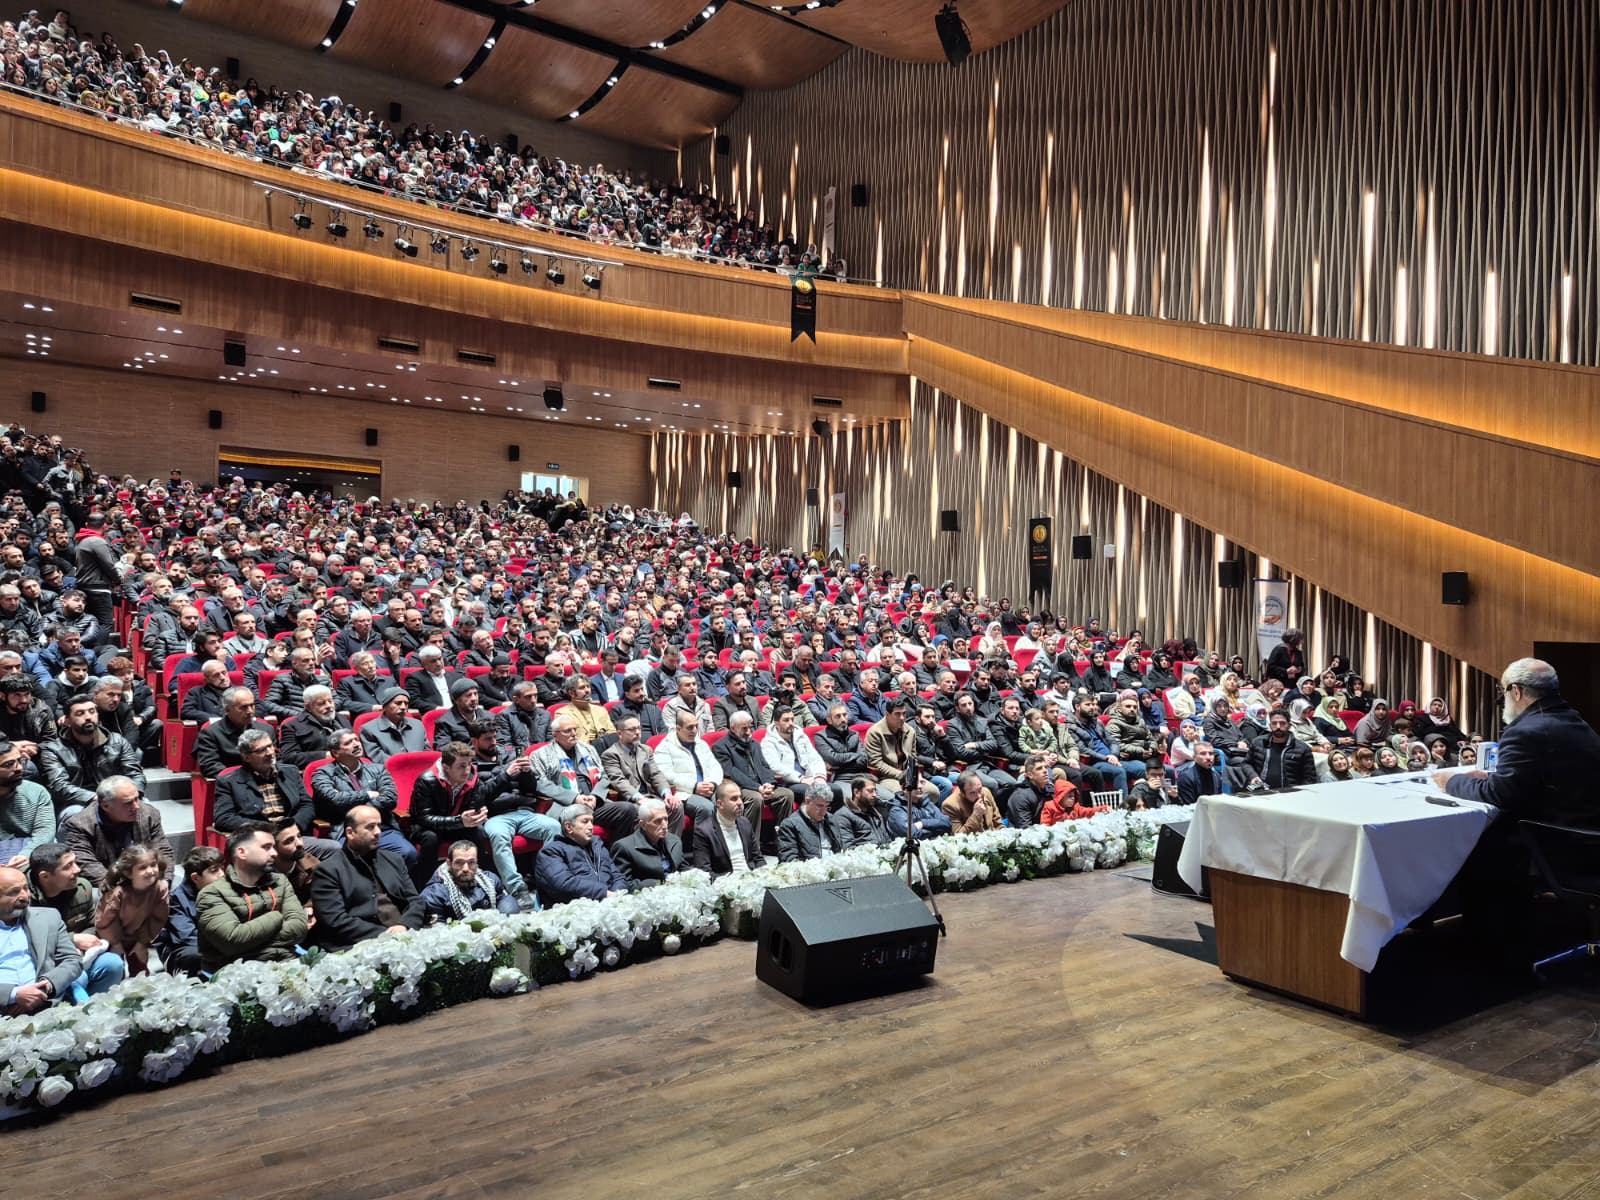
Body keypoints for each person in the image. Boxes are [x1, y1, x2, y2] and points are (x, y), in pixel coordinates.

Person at [1437, 658, 1600, 823]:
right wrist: (1491, 776)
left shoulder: (1523, 732)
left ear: (1516, 691)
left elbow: (1499, 795)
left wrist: (1451, 781)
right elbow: (1553, 775)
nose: (1502, 698)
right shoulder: (1576, 721)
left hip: (1553, 831)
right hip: (1586, 825)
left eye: (1503, 690)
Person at [309, 805, 426, 950]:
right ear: (350, 833)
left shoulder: (394, 859)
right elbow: (335, 920)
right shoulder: (328, 870)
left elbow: (415, 900)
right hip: (361, 943)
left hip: (405, 935)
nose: (378, 832)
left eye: (379, 826)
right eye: (370, 827)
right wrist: (386, 935)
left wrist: (405, 925)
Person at [197, 822, 309, 971]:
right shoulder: (212, 894)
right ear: (242, 852)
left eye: (273, 847)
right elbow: (233, 941)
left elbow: (300, 927)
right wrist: (276, 917)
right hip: (238, 973)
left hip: (287, 963)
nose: (274, 853)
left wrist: (252, 942)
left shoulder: (280, 882)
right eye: (266, 847)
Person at [310, 729, 411, 865]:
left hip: (381, 828)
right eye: (348, 743)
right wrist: (368, 794)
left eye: (356, 740)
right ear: (335, 752)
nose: (356, 744)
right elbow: (334, 799)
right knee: (351, 863)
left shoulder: (378, 769)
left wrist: (357, 808)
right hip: (347, 831)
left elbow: (390, 798)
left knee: (408, 853)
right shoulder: (322, 774)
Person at [58, 775, 174, 888]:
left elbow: (163, 850)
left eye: (136, 799)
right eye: (128, 803)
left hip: (144, 875)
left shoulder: (149, 814)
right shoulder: (80, 825)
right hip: (108, 882)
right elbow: (87, 864)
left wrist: (164, 881)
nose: (136, 806)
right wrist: (120, 888)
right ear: (106, 806)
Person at [0, 863, 85, 1015]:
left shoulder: (48, 917)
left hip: (47, 1005)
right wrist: (13, 995)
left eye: (25, 888)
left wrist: (45, 986)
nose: (25, 896)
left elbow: (72, 960)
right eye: (14, 892)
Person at [41, 694, 145, 818]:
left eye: (92, 711)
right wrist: (97, 799)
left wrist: (130, 796)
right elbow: (60, 786)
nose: (88, 717)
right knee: (75, 814)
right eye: (80, 713)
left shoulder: (118, 741)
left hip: (117, 797)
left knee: (145, 808)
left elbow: (135, 774)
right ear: (67, 721)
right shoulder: (53, 749)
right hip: (77, 802)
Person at [712, 710, 794, 844]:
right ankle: (751, 845)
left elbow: (765, 766)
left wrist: (769, 784)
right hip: (740, 788)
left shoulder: (754, 744)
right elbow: (732, 773)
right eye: (744, 728)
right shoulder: (720, 747)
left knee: (787, 795)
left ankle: (782, 842)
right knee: (755, 798)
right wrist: (758, 788)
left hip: (761, 786)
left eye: (750, 727)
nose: (749, 732)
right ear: (733, 728)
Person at [532, 804, 631, 906]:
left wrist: (618, 893)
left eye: (592, 822)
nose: (591, 827)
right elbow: (563, 885)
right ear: (569, 827)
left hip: (608, 905)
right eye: (585, 822)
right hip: (574, 910)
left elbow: (618, 877)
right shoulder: (551, 852)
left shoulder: (598, 847)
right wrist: (604, 894)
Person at [94, 843, 170, 976]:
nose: (150, 871)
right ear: (129, 873)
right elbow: (106, 922)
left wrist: (142, 942)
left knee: (141, 970)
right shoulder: (117, 893)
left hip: (138, 936)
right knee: (116, 971)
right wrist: (116, 944)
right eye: (142, 867)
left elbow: (157, 918)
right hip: (112, 937)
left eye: (153, 865)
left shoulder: (160, 888)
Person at [154, 844, 223, 976]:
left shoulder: (222, 890)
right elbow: (187, 937)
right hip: (184, 950)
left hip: (216, 944)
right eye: (215, 870)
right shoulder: (176, 900)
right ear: (195, 877)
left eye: (222, 868)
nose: (222, 874)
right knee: (195, 954)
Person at [418, 839, 521, 922]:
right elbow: (437, 931)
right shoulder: (434, 894)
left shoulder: (490, 879)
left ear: (476, 863)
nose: (465, 868)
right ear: (449, 863)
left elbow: (503, 899)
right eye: (459, 863)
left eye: (471, 862)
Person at [195, 687, 275, 780]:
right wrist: (245, 778)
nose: (250, 711)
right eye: (243, 707)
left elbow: (277, 760)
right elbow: (210, 766)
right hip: (234, 783)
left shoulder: (266, 729)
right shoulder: (210, 734)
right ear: (227, 710)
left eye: (252, 705)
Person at [691, 779, 764, 876]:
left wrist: (764, 875)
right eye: (734, 799)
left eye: (740, 797)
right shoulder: (704, 831)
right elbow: (704, 872)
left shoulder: (745, 823)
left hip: (751, 877)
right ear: (720, 804)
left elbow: (758, 859)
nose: (740, 802)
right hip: (725, 881)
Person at [607, 799, 684, 888]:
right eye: (657, 821)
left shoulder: (674, 840)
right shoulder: (623, 847)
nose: (664, 826)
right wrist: (661, 883)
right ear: (643, 825)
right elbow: (623, 884)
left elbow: (683, 869)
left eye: (666, 819)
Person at [0, 738, 53, 865]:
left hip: (32, 852)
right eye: (8, 764)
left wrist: (25, 855)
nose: (19, 768)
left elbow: (45, 833)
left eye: (20, 761)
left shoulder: (37, 791)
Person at [1246, 709, 1317, 789]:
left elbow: (1310, 778)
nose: (1278, 727)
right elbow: (1247, 763)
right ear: (1270, 725)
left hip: (1290, 793)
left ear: (1289, 725)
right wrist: (1253, 776)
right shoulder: (1258, 743)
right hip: (1262, 791)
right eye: (1274, 723)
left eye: (1282, 723)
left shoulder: (1302, 749)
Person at [776, 782, 845, 862]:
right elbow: (789, 859)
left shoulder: (831, 819)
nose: (823, 812)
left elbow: (841, 849)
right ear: (808, 801)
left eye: (826, 806)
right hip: (811, 867)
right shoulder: (790, 825)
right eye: (819, 806)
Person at [359, 687, 429, 763]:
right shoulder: (368, 730)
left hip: (421, 767)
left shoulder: (418, 724)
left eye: (406, 703)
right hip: (390, 769)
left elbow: (427, 751)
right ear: (385, 707)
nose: (403, 707)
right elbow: (378, 757)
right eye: (398, 703)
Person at [831, 776, 894, 847]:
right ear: (856, 792)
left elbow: (887, 839)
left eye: (875, 791)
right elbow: (847, 848)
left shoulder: (875, 812)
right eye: (870, 791)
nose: (875, 795)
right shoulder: (843, 816)